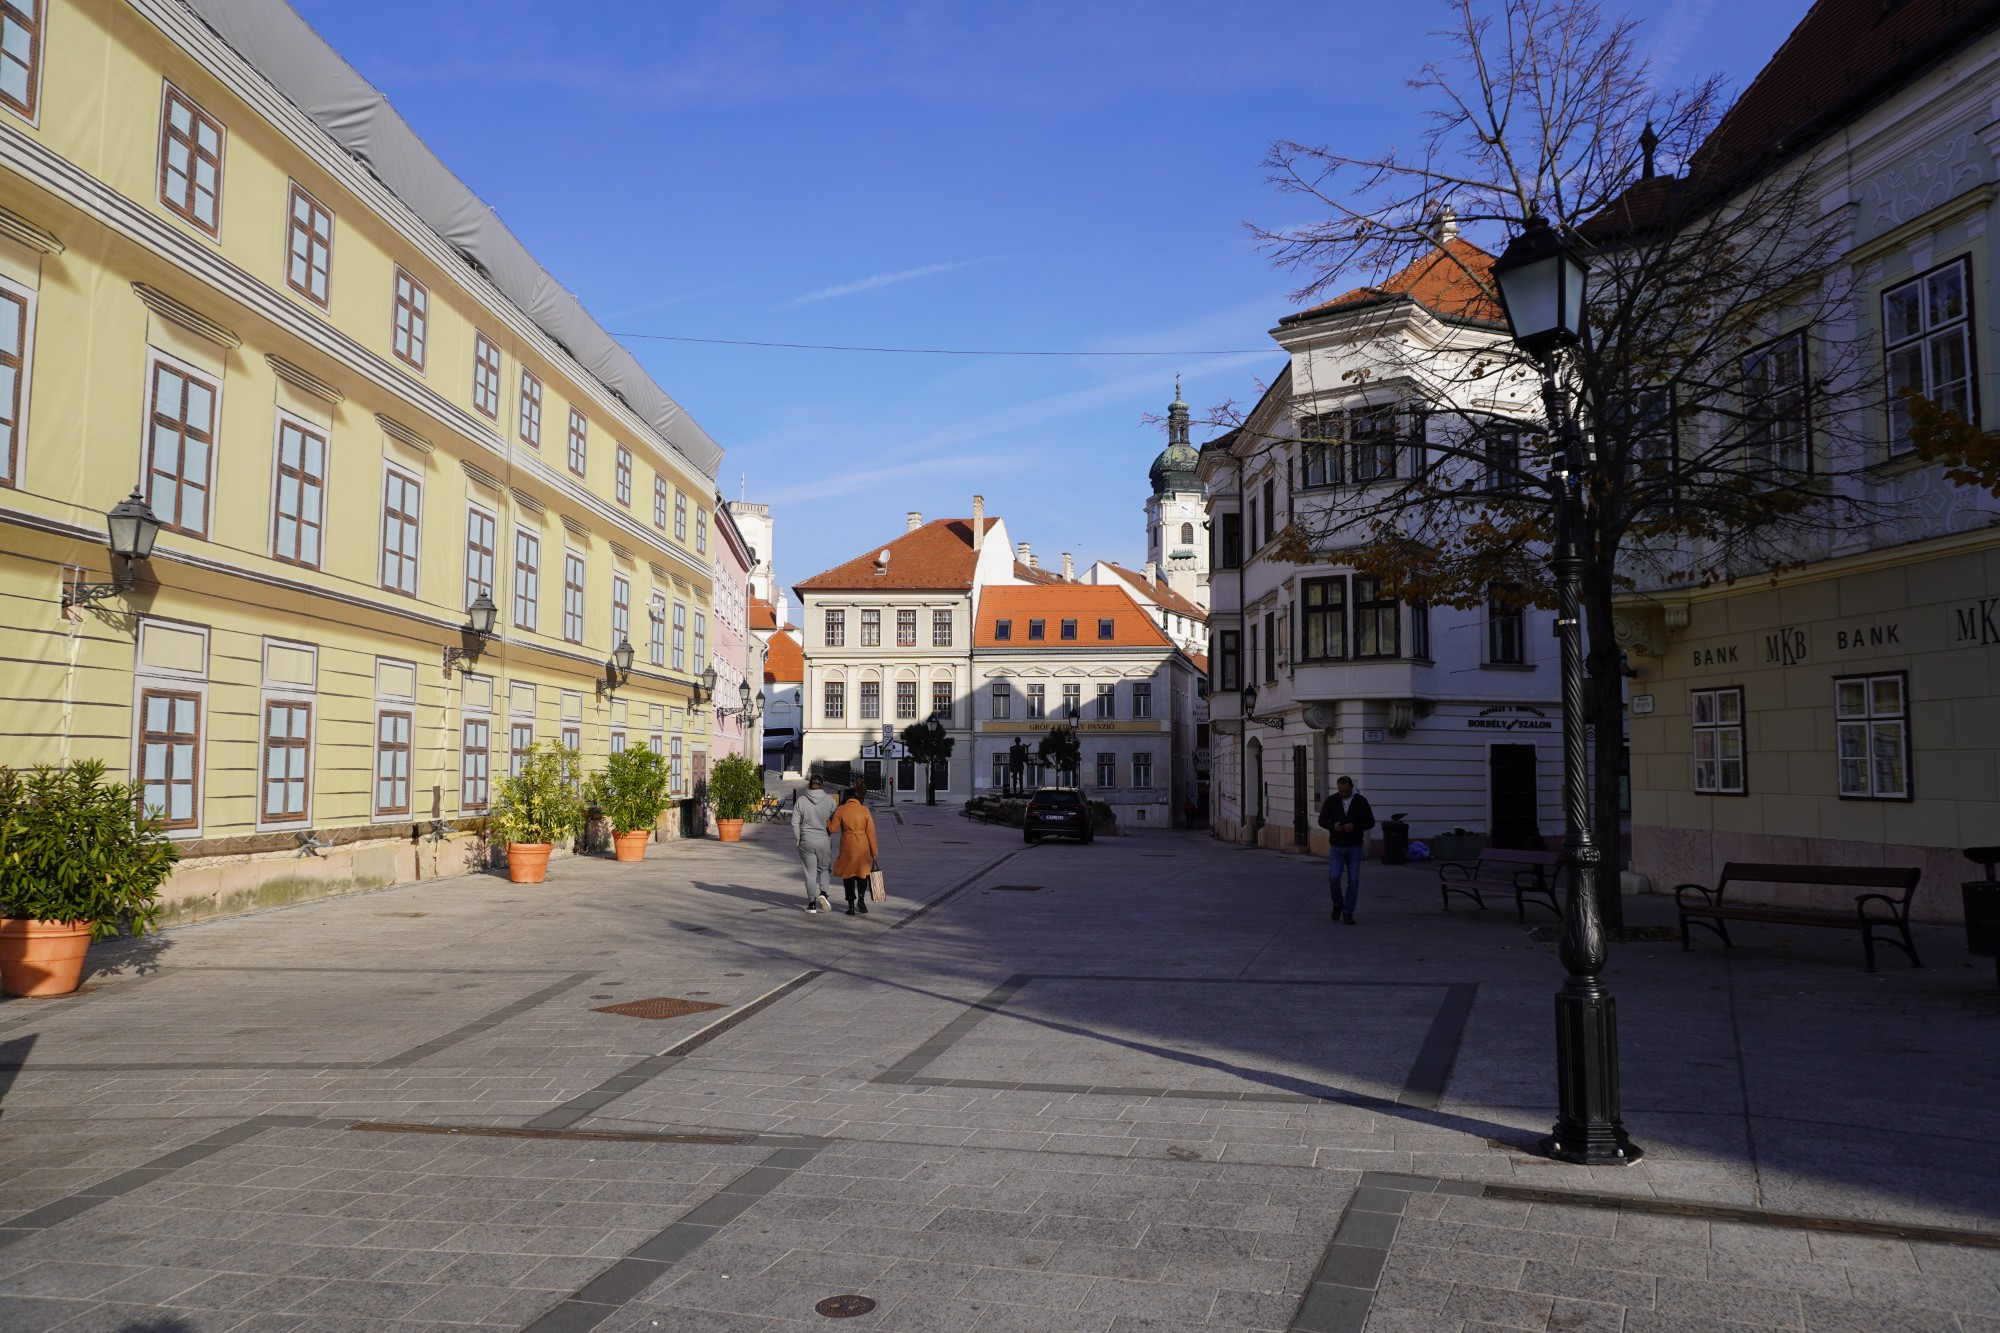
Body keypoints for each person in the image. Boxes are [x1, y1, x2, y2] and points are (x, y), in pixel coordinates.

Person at [1318, 775, 1375, 925]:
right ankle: (1338, 903)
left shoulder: (1360, 801)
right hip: (1337, 845)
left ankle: (1348, 911)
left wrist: (1355, 826)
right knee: (1334, 877)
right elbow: (1322, 820)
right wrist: (1332, 825)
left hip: (1355, 846)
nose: (1343, 794)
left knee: (1354, 880)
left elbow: (1370, 821)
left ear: (1351, 788)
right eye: (1340, 791)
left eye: (1346, 791)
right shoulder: (1332, 801)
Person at [828, 788, 880, 916]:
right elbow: (871, 832)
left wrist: (827, 820)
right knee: (862, 874)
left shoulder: (841, 809)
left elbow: (833, 829)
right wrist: (874, 852)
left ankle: (850, 905)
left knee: (848, 875)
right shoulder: (864, 810)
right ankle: (861, 900)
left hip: (847, 845)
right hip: (862, 846)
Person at [791, 775, 839, 913]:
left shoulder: (801, 800)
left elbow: (794, 822)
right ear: (822, 785)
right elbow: (835, 819)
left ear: (809, 785)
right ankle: (823, 893)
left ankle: (811, 903)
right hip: (824, 839)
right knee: (824, 869)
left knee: (810, 873)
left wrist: (798, 838)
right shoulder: (830, 800)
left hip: (806, 839)